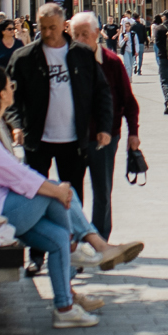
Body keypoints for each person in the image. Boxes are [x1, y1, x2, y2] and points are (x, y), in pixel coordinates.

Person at [0, 78, 138, 328]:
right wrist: (57, 191)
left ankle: (65, 304)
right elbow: (17, 175)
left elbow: (16, 174)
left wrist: (57, 190)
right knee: (55, 193)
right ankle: (80, 247)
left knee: (56, 233)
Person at [8, 7, 114, 274]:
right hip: (38, 141)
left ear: (63, 25)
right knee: (35, 198)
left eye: (52, 28)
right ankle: (36, 255)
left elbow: (102, 93)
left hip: (72, 141)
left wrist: (104, 127)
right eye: (42, 28)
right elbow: (9, 98)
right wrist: (17, 125)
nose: (46, 33)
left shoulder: (81, 55)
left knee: (72, 198)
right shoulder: (24, 58)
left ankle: (73, 253)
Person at [70, 14, 140, 239]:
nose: (80, 39)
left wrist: (133, 134)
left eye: (85, 35)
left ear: (97, 34)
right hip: (72, 138)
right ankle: (77, 240)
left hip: (105, 138)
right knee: (72, 192)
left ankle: (99, 239)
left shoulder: (111, 62)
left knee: (102, 191)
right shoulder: (66, 61)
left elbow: (129, 101)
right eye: (75, 35)